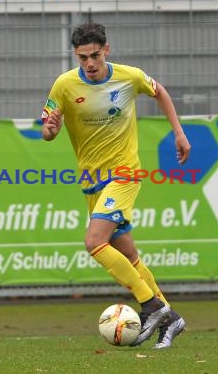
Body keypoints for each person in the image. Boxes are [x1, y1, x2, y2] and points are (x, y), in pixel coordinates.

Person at [40, 21, 191, 348]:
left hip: (124, 174)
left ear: (106, 50)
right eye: (83, 58)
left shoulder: (129, 76)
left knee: (94, 242)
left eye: (95, 55)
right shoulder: (63, 86)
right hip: (91, 183)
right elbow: (48, 131)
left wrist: (179, 133)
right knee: (129, 255)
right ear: (76, 55)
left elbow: (159, 91)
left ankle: (150, 305)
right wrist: (50, 127)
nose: (90, 63)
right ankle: (171, 319)